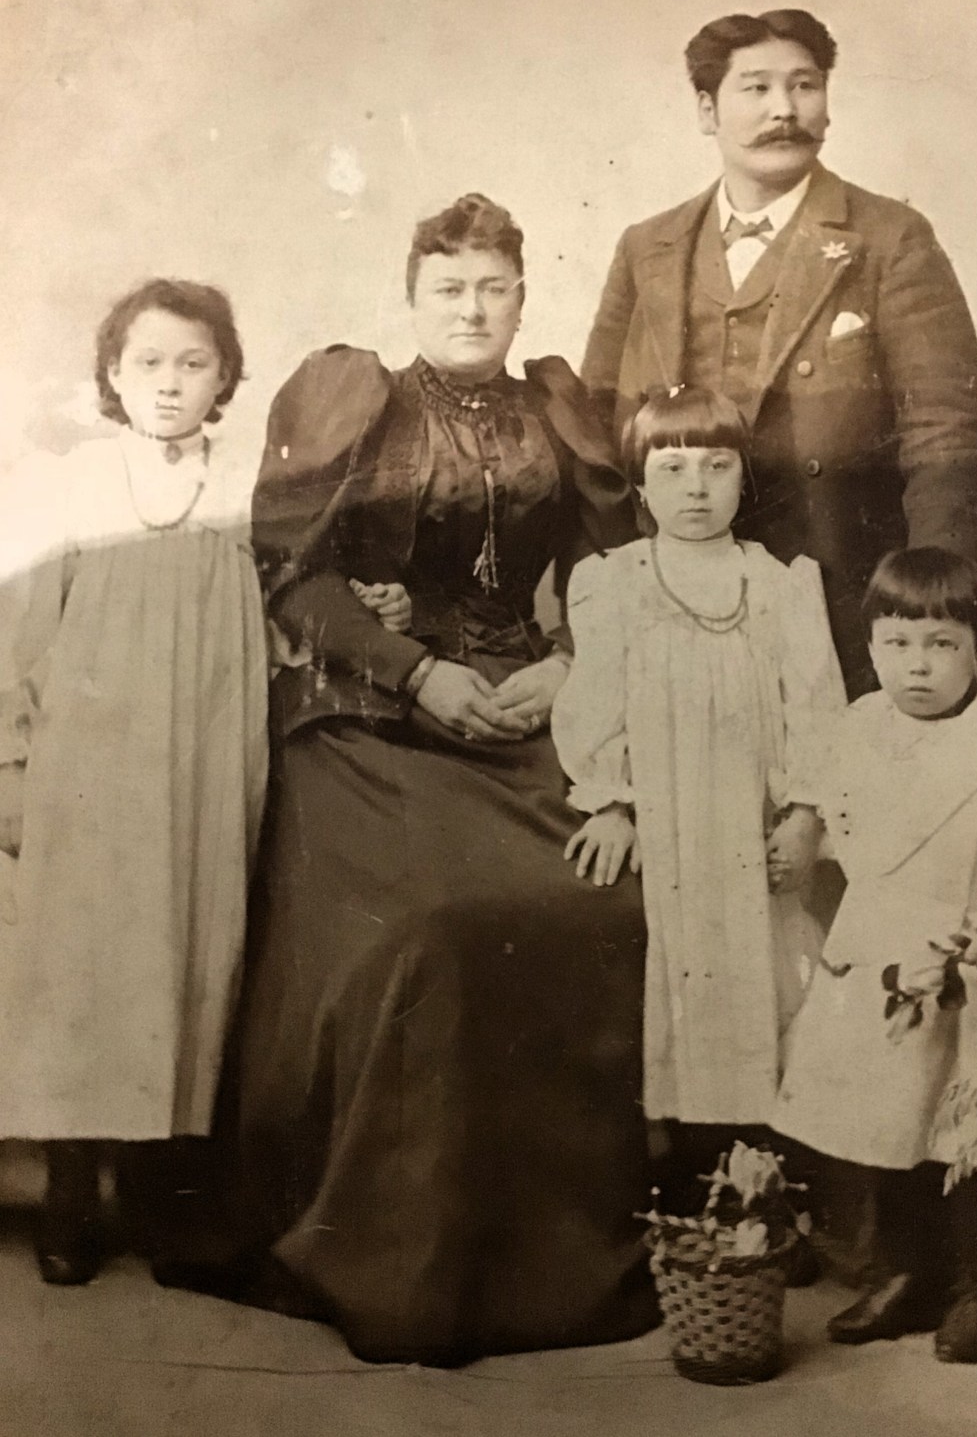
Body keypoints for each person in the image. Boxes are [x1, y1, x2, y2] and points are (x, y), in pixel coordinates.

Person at [189, 194, 656, 1365]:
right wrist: (412, 672)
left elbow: (614, 574)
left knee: (602, 903)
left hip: (522, 701)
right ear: (412, 298)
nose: (473, 308)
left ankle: (554, 1252)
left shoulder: (559, 405)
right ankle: (394, 1258)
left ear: (520, 295)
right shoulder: (358, 398)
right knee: (436, 930)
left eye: (492, 286)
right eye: (449, 288)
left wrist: (568, 665)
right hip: (368, 718)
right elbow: (292, 577)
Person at [581, 9, 977, 696]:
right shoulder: (645, 247)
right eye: (757, 89)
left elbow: (948, 435)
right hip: (670, 600)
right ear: (707, 110)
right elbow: (593, 434)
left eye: (805, 86)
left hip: (838, 598)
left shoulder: (890, 238)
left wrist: (934, 614)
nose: (784, 110)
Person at [771, 548, 977, 1362]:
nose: (916, 667)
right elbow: (831, 794)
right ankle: (908, 1271)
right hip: (889, 941)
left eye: (940, 646)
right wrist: (803, 828)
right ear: (873, 649)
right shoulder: (861, 725)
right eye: (897, 645)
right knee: (895, 1119)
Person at [0, 278, 268, 1284]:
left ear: (225, 377)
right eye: (148, 362)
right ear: (113, 374)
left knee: (191, 950)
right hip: (91, 761)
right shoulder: (76, 480)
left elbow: (276, 613)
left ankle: (158, 1188)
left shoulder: (242, 484)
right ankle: (72, 1183)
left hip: (206, 751)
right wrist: (12, 762)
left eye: (194, 363)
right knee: (85, 960)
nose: (170, 382)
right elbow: (18, 632)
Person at [552, 385, 844, 1198]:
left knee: (769, 981)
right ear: (639, 484)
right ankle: (692, 1193)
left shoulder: (781, 584)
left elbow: (815, 706)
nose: (696, 487)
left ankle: (771, 1195)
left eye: (717, 467)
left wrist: (806, 814)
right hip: (670, 823)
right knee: (681, 984)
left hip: (752, 828)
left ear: (744, 479)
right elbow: (595, 701)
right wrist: (612, 801)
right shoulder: (614, 582)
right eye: (672, 468)